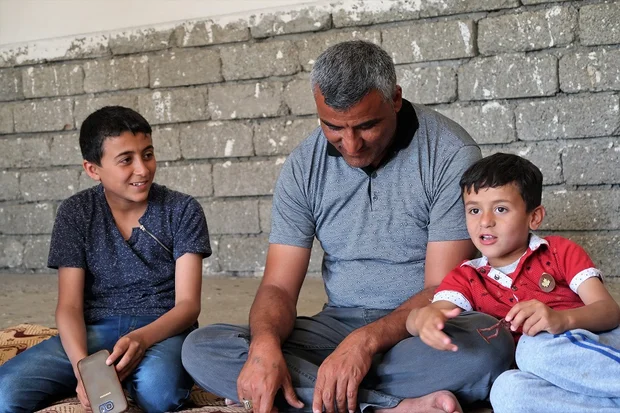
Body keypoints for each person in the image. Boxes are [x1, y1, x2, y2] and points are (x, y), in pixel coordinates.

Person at [181, 40, 514, 413]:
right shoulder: (303, 166)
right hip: (335, 327)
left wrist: (365, 344)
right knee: (202, 348)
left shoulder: (450, 153)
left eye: (367, 126)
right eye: (334, 127)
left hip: (419, 329)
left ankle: (308, 390)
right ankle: (390, 407)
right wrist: (264, 349)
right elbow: (277, 287)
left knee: (490, 348)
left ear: (395, 99)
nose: (352, 145)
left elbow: (441, 288)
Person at [0, 106, 211, 413]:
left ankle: (130, 376)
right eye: (126, 160)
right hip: (96, 329)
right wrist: (83, 368)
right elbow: (69, 306)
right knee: (5, 393)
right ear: (92, 169)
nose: (142, 169)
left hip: (161, 329)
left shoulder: (182, 209)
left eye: (148, 154)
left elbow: (188, 305)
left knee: (159, 393)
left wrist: (141, 339)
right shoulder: (76, 213)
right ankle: (111, 375)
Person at [407, 153, 620, 412]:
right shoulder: (467, 277)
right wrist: (421, 319)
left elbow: (609, 312)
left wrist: (562, 320)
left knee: (532, 347)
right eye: (474, 210)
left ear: (534, 217)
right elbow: (432, 312)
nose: (485, 221)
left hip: (596, 350)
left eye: (500, 209)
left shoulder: (558, 252)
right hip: (549, 378)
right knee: (506, 390)